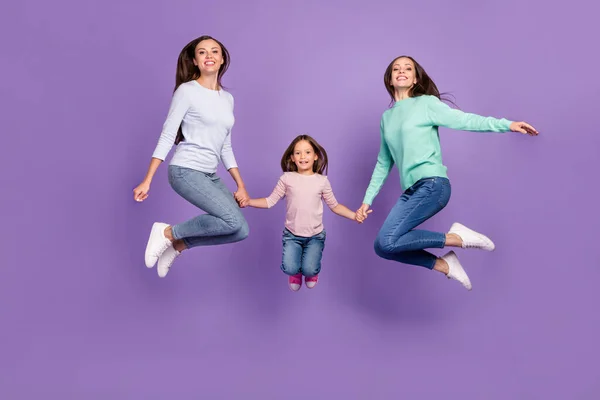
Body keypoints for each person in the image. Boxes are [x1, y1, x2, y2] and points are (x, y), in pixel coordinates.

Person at [356, 55, 538, 290]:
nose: (401, 71)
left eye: (408, 68)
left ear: (414, 79)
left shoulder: (426, 104)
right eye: (396, 69)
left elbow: (464, 120)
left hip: (433, 185)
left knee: (389, 240)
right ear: (390, 79)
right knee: (383, 246)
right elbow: (383, 162)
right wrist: (366, 201)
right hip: (411, 191)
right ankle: (445, 265)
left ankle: (456, 238)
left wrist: (507, 124)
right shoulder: (387, 118)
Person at [133, 35, 250, 278]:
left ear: (222, 59)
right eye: (202, 52)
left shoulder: (228, 99)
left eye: (214, 51)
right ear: (195, 61)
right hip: (185, 170)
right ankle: (166, 233)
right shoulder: (187, 92)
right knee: (229, 220)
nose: (209, 55)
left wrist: (240, 184)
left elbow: (224, 145)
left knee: (240, 230)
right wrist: (148, 179)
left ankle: (177, 245)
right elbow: (167, 136)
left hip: (209, 174)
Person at [245, 135, 370, 291]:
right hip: (292, 236)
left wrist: (354, 215)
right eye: (298, 153)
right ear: (292, 158)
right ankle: (295, 273)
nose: (303, 156)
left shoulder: (322, 181)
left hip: (315, 237)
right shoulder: (287, 178)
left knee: (310, 269)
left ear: (316, 156)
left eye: (307, 152)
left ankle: (311, 273)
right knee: (290, 267)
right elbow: (270, 201)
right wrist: (249, 201)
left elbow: (335, 206)